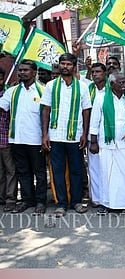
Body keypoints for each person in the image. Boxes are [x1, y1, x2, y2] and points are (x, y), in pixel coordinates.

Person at [40, 53, 91, 216]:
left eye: (68, 64)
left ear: (74, 67)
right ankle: (61, 203)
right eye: (63, 64)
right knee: (58, 170)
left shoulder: (82, 87)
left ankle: (76, 201)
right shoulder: (51, 86)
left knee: (76, 170)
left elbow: (86, 111)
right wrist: (44, 134)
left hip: (75, 136)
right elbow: (46, 110)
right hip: (55, 136)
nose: (65, 67)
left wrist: (85, 133)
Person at [0, 60, 47, 214]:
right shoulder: (11, 91)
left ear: (34, 72)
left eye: (26, 70)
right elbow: (2, 107)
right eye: (20, 70)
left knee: (39, 172)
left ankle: (40, 201)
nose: (22, 73)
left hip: (36, 139)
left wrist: (45, 137)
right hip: (17, 139)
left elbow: (48, 114)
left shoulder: (43, 90)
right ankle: (28, 200)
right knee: (23, 172)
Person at [89, 72, 125, 213]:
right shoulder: (101, 98)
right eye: (121, 83)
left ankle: (124, 204)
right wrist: (94, 142)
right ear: (112, 84)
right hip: (106, 143)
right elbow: (94, 122)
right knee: (106, 174)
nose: (124, 86)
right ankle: (105, 204)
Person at [87, 62, 107, 208]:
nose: (95, 74)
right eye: (93, 72)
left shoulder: (111, 89)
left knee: (107, 168)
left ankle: (108, 196)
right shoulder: (88, 89)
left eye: (98, 72)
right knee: (93, 168)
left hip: (108, 136)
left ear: (105, 74)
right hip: (91, 136)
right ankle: (97, 198)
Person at [0, 66, 17, 212]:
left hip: (5, 138)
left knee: (10, 170)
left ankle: (10, 198)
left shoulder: (9, 94)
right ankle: (1, 197)